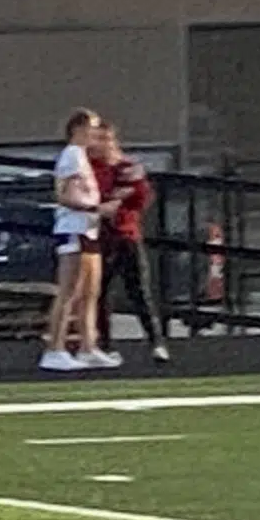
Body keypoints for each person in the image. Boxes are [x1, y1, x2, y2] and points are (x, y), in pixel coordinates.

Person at [40, 106, 111, 373]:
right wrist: (95, 209)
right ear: (79, 128)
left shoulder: (81, 157)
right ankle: (54, 349)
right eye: (92, 127)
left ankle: (88, 346)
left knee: (90, 291)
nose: (96, 132)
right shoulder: (71, 155)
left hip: (88, 229)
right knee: (69, 291)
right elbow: (64, 196)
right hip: (74, 228)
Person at [91, 119, 165, 365]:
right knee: (101, 293)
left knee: (139, 291)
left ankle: (156, 342)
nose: (102, 144)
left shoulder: (127, 167)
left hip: (127, 236)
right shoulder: (90, 168)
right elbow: (92, 198)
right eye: (97, 139)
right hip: (100, 237)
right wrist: (113, 196)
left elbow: (141, 200)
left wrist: (134, 187)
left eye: (106, 139)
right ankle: (105, 344)